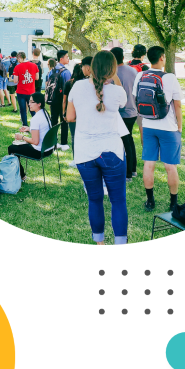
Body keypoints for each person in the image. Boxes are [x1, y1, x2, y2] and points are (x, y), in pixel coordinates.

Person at [66, 50, 128, 244]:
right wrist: (113, 77)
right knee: (118, 201)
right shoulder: (118, 91)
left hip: (84, 152)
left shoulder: (77, 86)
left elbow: (69, 117)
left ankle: (99, 243)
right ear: (113, 69)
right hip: (112, 151)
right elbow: (123, 104)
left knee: (94, 199)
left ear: (91, 68)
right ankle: (120, 244)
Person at [133, 46, 182, 213]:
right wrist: (179, 127)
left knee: (149, 164)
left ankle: (150, 201)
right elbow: (178, 106)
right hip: (168, 128)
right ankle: (173, 203)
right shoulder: (170, 78)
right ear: (162, 57)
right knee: (170, 166)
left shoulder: (140, 75)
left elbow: (136, 100)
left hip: (148, 126)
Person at [111, 46, 139, 182]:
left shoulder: (112, 74)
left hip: (121, 113)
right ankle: (133, 170)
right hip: (133, 111)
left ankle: (128, 173)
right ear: (123, 57)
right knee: (129, 140)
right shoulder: (133, 71)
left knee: (124, 142)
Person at [8, 93, 54, 173]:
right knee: (17, 146)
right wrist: (29, 129)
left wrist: (21, 137)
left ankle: (22, 176)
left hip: (40, 151)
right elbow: (43, 129)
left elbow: (35, 142)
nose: (29, 104)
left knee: (11, 148)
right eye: (29, 101)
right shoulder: (45, 113)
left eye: (32, 102)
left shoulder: (35, 119)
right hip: (49, 148)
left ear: (39, 104)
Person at [63, 56, 91, 152]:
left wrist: (64, 113)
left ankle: (76, 158)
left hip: (73, 113)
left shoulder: (70, 84)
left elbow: (64, 100)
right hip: (84, 114)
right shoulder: (88, 83)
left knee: (74, 136)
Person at [46, 50, 72, 149]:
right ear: (61, 58)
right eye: (67, 57)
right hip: (62, 100)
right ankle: (64, 143)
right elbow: (68, 88)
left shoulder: (51, 71)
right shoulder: (66, 72)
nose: (68, 58)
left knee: (53, 121)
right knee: (64, 121)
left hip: (53, 99)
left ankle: (52, 142)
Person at [12, 50, 38, 127]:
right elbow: (37, 77)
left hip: (21, 91)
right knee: (33, 109)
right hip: (31, 91)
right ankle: (36, 124)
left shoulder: (17, 67)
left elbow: (15, 81)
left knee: (23, 110)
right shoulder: (34, 65)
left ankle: (25, 125)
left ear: (19, 59)